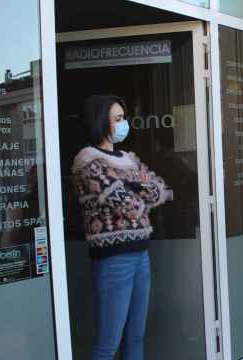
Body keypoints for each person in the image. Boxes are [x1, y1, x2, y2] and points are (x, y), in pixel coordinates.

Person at [72, 94, 172, 360]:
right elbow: (128, 205)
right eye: (117, 119)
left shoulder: (128, 157)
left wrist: (137, 189)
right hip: (114, 257)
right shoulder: (87, 159)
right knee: (109, 341)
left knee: (136, 336)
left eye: (123, 118)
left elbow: (160, 191)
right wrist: (138, 189)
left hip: (140, 253)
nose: (123, 123)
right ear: (100, 122)